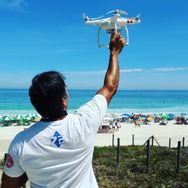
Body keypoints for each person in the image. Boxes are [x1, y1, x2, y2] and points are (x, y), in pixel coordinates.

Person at [1, 33, 125, 188]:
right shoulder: (85, 122)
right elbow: (110, 87)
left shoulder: (21, 143)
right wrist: (114, 53)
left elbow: (8, 186)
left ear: (35, 105)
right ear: (64, 100)